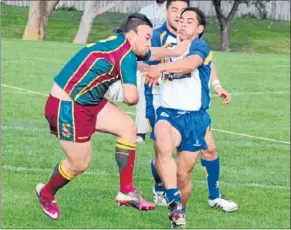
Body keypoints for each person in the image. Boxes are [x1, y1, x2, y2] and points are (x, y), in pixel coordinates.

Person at [35, 13, 190, 221]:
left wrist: (175, 51)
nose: (149, 42)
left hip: (87, 100)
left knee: (128, 127)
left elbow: (148, 53)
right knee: (80, 163)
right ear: (132, 34)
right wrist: (138, 77)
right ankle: (46, 194)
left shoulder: (121, 44)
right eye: (146, 37)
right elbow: (131, 98)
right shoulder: (126, 55)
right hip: (68, 105)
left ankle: (126, 191)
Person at [144, 7, 236, 228]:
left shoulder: (200, 47)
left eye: (189, 21)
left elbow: (191, 64)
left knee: (183, 175)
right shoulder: (167, 47)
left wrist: (216, 85)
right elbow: (146, 61)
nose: (183, 23)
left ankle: (179, 212)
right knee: (164, 148)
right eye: (181, 20)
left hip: (195, 118)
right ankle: (173, 200)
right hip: (168, 113)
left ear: (200, 28)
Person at [136, 0, 167, 143]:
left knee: (165, 90)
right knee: (143, 90)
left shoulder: (172, 9)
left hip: (167, 51)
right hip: (148, 52)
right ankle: (140, 131)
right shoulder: (146, 10)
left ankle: (163, 128)